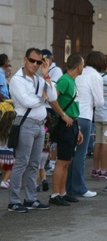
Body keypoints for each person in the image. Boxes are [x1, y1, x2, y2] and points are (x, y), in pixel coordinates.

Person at [8, 48, 58, 212]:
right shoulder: (17, 79)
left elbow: (52, 97)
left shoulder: (39, 79)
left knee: (34, 164)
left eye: (39, 62)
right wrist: (42, 98)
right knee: (21, 162)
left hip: (39, 124)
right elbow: (26, 101)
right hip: (25, 123)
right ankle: (13, 201)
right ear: (25, 59)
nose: (35, 64)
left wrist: (46, 76)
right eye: (32, 60)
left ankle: (30, 198)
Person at [66, 51, 105, 198]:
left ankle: (68, 187)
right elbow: (100, 102)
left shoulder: (77, 74)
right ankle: (79, 187)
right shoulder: (95, 76)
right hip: (84, 116)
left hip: (70, 115)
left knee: (70, 154)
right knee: (80, 154)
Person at [48, 54, 84, 206]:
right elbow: (51, 98)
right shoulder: (64, 80)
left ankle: (62, 192)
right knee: (62, 160)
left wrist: (78, 129)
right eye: (83, 64)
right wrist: (63, 115)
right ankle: (55, 194)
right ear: (78, 66)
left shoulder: (71, 80)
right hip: (66, 124)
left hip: (73, 124)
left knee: (67, 160)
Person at [41, 49, 64, 174]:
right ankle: (44, 161)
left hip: (50, 107)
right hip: (43, 107)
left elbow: (50, 89)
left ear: (49, 59)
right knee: (45, 136)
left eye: (43, 59)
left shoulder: (56, 71)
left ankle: (52, 162)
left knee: (51, 136)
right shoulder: (43, 71)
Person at [0, 111, 16, 189]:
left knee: (4, 167)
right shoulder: (12, 128)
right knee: (10, 167)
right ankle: (4, 181)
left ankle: (5, 180)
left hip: (0, 149)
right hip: (9, 149)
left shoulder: (1, 127)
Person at [36, 112, 51, 192]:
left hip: (39, 151)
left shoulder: (40, 128)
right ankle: (44, 180)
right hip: (46, 151)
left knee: (36, 168)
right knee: (42, 167)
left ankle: (36, 185)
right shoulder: (48, 129)